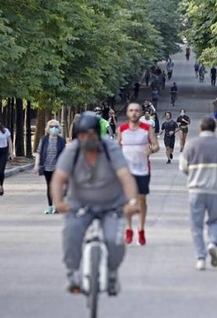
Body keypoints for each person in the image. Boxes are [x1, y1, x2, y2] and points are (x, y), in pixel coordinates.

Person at [50, 112, 138, 295]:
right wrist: (58, 202)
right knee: (71, 234)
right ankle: (73, 274)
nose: (85, 139)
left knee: (114, 240)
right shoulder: (72, 151)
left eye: (89, 134)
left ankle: (112, 273)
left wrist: (132, 202)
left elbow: (125, 176)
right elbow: (58, 178)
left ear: (97, 134)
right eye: (81, 135)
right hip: (79, 205)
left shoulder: (110, 149)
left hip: (112, 205)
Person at [179, 116, 217, 270]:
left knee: (196, 225)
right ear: (215, 128)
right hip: (216, 189)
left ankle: (201, 258)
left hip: (196, 190)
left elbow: (183, 167)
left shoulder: (191, 145)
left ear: (200, 129)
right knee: (214, 220)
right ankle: (213, 242)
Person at [117, 103, 160, 245]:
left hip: (142, 169)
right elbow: (116, 147)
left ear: (141, 113)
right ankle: (128, 229)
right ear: (127, 113)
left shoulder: (147, 129)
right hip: (126, 170)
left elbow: (156, 145)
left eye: (136, 110)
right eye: (131, 110)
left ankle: (141, 230)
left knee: (141, 199)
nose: (134, 113)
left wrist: (151, 150)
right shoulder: (122, 129)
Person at [34, 119, 67, 214]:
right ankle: (50, 206)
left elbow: (64, 154)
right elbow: (39, 152)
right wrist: (36, 165)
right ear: (48, 128)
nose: (54, 129)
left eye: (56, 127)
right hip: (47, 167)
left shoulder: (61, 140)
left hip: (58, 167)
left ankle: (57, 206)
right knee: (49, 186)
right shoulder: (44, 140)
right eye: (52, 127)